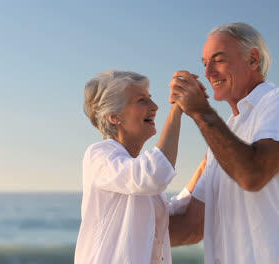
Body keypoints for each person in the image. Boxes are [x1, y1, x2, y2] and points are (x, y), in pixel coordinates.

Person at [168, 23, 279, 263]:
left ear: (253, 59)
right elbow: (191, 226)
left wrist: (202, 112)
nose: (208, 73)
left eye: (218, 60)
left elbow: (253, 174)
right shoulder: (224, 136)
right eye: (204, 64)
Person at [75, 70, 206, 264]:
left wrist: (209, 161)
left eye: (150, 99)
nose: (154, 107)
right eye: (141, 101)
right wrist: (177, 109)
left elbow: (175, 211)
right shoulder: (99, 156)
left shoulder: (133, 169)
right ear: (113, 116)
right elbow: (153, 174)